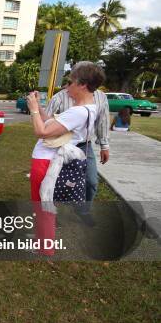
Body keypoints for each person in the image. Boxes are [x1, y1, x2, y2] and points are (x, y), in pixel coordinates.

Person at [28, 61, 104, 254]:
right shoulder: (89, 108)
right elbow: (54, 124)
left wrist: (34, 108)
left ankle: (44, 247)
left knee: (43, 204)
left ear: (83, 85)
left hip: (46, 160)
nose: (66, 86)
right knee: (45, 203)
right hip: (51, 159)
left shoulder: (78, 112)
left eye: (70, 82)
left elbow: (42, 131)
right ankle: (42, 241)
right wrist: (42, 111)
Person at [45, 67, 110, 214]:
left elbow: (102, 121)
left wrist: (104, 146)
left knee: (91, 181)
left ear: (84, 82)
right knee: (57, 180)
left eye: (72, 81)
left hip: (84, 146)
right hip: (63, 146)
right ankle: (52, 213)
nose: (68, 85)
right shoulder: (60, 97)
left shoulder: (100, 97)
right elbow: (46, 122)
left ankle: (83, 211)